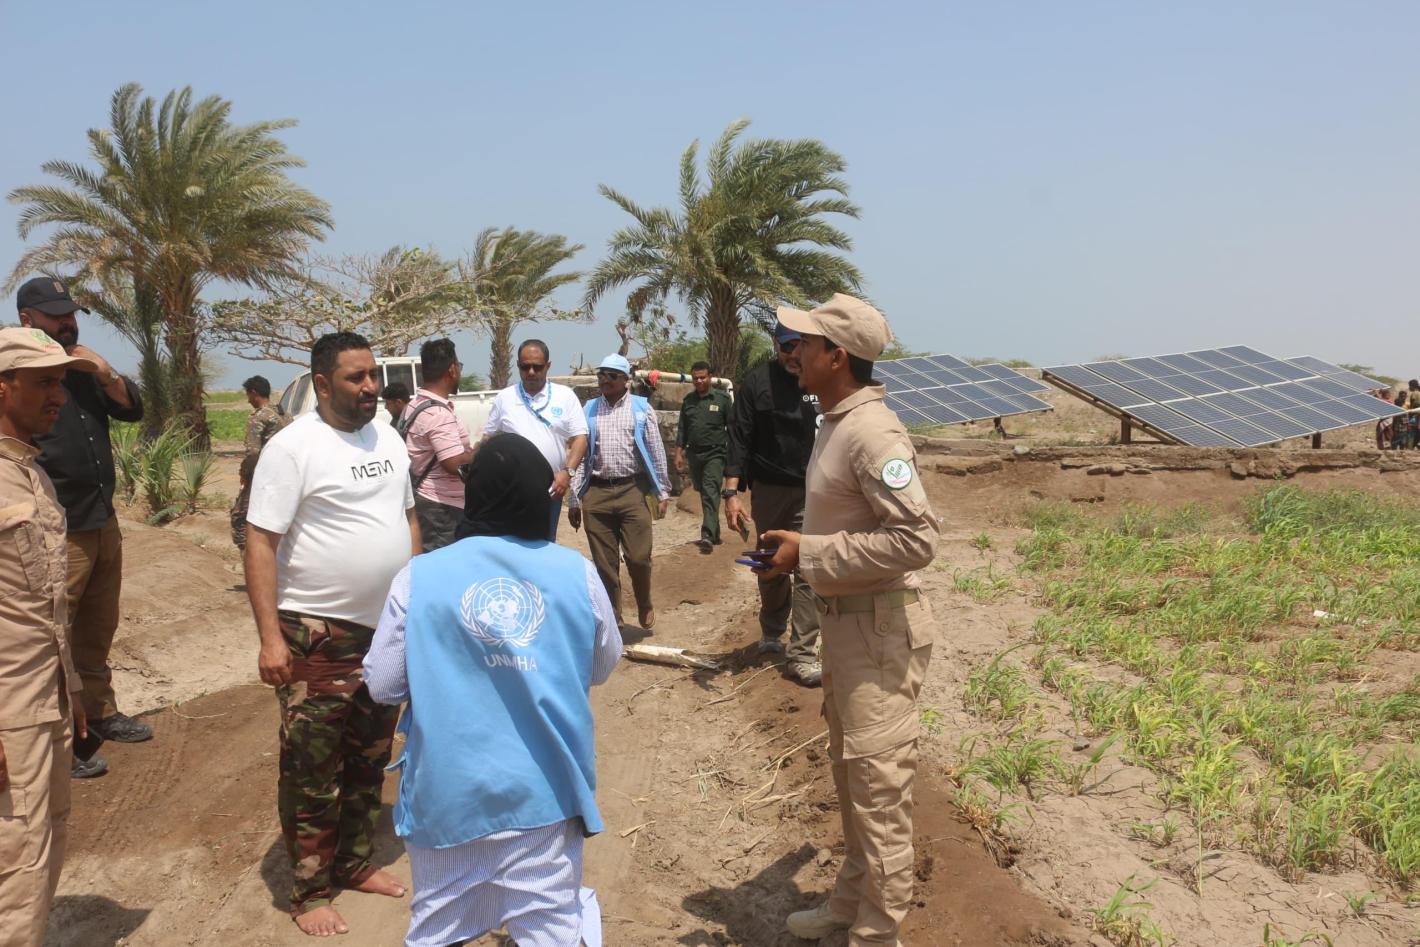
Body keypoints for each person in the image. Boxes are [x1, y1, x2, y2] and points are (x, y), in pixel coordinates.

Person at [365, 433, 621, 947]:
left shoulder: (420, 577)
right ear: (535, 493)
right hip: (545, 798)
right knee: (550, 927)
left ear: (475, 495)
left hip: (447, 800)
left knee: (437, 928)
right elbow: (601, 665)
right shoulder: (579, 574)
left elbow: (383, 685)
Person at [758, 294, 939, 946]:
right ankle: (851, 903)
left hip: (878, 633)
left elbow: (917, 541)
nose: (793, 350)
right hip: (848, 627)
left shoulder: (873, 432)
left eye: (806, 342)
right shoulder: (836, 422)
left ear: (837, 355)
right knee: (852, 775)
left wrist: (810, 552)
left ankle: (877, 934)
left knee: (879, 793)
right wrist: (796, 553)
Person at [243, 331, 418, 937]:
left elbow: (407, 518)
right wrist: (271, 638)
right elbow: (260, 541)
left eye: (372, 375)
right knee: (313, 768)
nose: (370, 386)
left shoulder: (389, 437)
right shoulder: (293, 448)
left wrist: (411, 601)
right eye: (356, 378)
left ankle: (354, 861)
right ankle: (310, 890)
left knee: (370, 756)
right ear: (323, 384)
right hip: (315, 633)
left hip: (384, 631)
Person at [17, 277, 148, 774]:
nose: (67, 322)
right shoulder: (22, 374)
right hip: (55, 526)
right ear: (28, 320)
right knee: (54, 634)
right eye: (55, 315)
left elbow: (133, 409)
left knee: (97, 628)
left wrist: (103, 369)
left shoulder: (81, 368)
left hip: (101, 517)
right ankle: (59, 739)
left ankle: (100, 714)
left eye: (69, 313)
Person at [0, 327, 96, 945]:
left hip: (45, 699)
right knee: (19, 857)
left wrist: (75, 692)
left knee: (43, 841)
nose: (57, 395)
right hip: (9, 709)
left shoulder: (30, 472)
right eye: (43, 382)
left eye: (61, 380)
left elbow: (46, 608)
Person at [722, 325, 825, 687]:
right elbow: (739, 438)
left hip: (814, 488)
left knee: (808, 565)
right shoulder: (755, 384)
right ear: (775, 345)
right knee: (771, 563)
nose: (793, 356)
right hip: (769, 489)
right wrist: (731, 493)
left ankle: (802, 654)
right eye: (786, 348)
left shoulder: (822, 379)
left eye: (800, 347)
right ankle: (771, 629)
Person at [568, 354, 670, 630]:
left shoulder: (640, 408)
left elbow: (655, 450)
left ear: (626, 380)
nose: (605, 380)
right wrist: (575, 497)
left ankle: (644, 601)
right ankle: (614, 614)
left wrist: (662, 491)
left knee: (638, 557)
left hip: (632, 490)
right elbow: (579, 456)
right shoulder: (588, 409)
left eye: (612, 375)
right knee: (605, 562)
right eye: (602, 374)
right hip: (597, 494)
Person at [482, 339, 588, 539]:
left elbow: (581, 438)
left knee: (544, 545)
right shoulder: (504, 398)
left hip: (550, 489)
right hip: (510, 490)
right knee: (511, 546)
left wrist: (568, 473)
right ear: (518, 366)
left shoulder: (565, 396)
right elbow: (489, 438)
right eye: (525, 366)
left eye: (537, 367)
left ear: (548, 366)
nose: (531, 372)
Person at [400, 339, 474, 552]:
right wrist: (480, 451)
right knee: (444, 568)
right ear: (452, 370)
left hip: (424, 502)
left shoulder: (414, 405)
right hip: (441, 509)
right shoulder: (438, 414)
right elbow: (453, 464)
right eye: (458, 367)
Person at [675, 360, 732, 552]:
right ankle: (714, 534)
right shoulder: (688, 402)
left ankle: (706, 534)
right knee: (704, 491)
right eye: (695, 378)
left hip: (715, 454)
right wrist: (678, 453)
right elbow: (682, 429)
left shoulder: (722, 400)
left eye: (702, 377)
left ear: (710, 377)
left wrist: (734, 455)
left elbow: (732, 428)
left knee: (710, 490)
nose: (699, 381)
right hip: (694, 454)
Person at [230, 375, 289, 550]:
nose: (248, 400)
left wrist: (244, 475)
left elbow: (253, 453)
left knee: (240, 517)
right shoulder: (285, 415)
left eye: (248, 395)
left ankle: (249, 560)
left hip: (264, 476)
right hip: (287, 476)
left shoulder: (259, 417)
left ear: (254, 393)